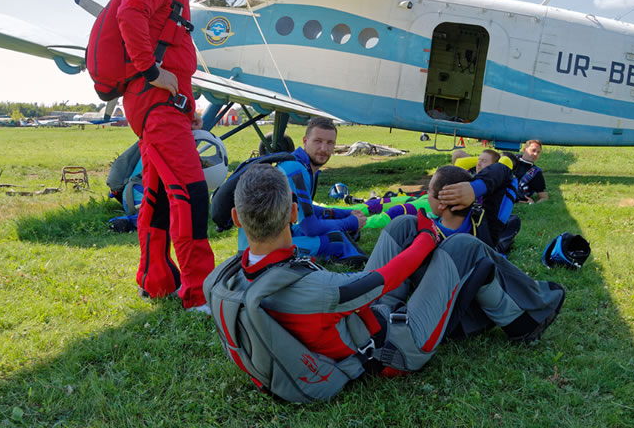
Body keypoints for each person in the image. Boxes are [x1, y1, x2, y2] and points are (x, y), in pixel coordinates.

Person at [205, 164, 565, 400]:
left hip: (362, 322)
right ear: (295, 213)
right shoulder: (313, 289)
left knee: (401, 226)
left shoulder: (233, 273)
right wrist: (428, 239)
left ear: (237, 218)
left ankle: (454, 286)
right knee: (465, 249)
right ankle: (527, 320)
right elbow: (378, 280)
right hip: (393, 349)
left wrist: (419, 232)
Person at [96, 0, 237, 314]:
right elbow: (129, 13)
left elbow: (173, 55)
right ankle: (197, 292)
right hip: (154, 107)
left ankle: (155, 281)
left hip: (166, 110)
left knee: (158, 200)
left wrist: (187, 108)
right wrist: (151, 70)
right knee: (191, 193)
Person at [237, 117, 368, 265]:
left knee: (331, 229)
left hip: (268, 237)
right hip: (256, 249)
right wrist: (350, 222)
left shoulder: (300, 165)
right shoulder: (296, 170)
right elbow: (310, 227)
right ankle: (323, 257)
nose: (324, 149)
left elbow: (305, 209)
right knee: (335, 241)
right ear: (305, 141)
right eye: (318, 141)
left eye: (330, 143)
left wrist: (342, 213)